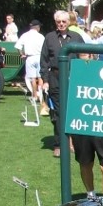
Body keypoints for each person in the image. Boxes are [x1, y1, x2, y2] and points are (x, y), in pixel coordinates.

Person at [40, 10, 80, 157]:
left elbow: (84, 57)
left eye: (64, 21)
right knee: (57, 113)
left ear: (69, 22)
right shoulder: (49, 38)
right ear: (56, 23)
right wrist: (45, 80)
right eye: (59, 22)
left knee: (73, 111)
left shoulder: (76, 37)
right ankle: (58, 144)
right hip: (55, 78)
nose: (61, 24)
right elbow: (44, 60)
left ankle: (73, 143)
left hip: (73, 78)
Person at [15, 19, 47, 115]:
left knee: (32, 78)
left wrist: (21, 55)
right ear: (37, 27)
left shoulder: (25, 35)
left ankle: (34, 96)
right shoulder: (41, 36)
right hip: (39, 57)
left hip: (30, 57)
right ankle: (41, 96)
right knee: (40, 77)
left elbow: (18, 46)